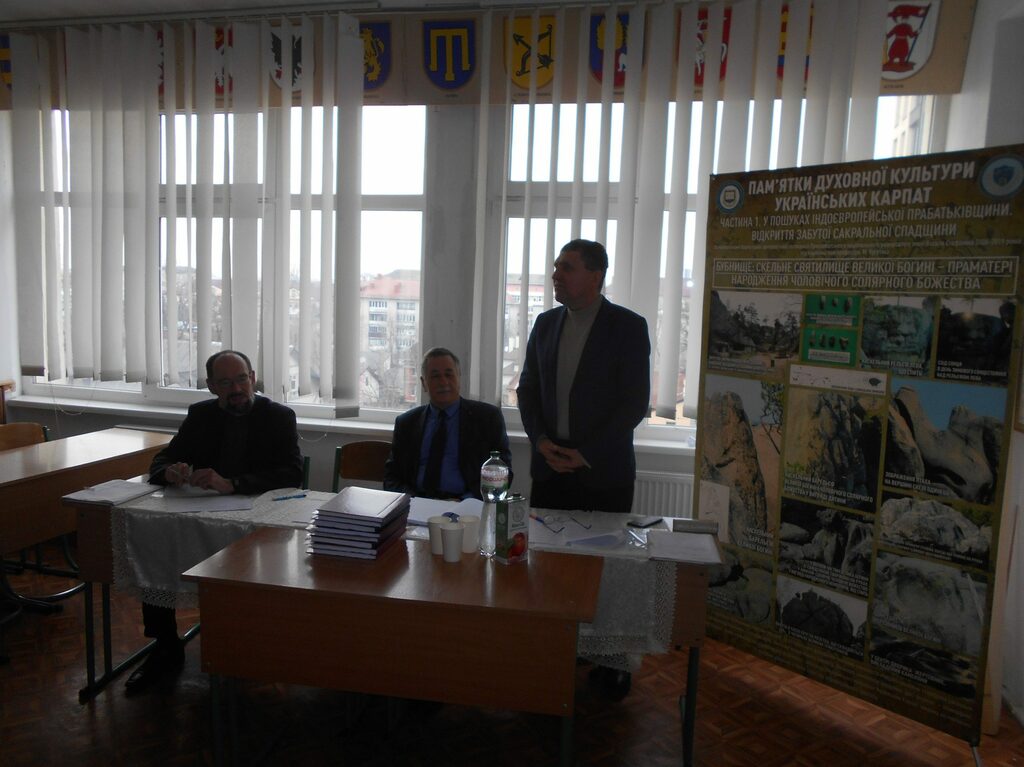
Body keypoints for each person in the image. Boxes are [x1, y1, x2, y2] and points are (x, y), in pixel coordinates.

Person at [516, 239, 650, 702]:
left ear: (596, 275)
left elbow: (633, 403)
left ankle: (611, 661)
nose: (556, 275)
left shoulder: (628, 327)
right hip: (551, 465)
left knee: (606, 571)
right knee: (552, 568)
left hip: (602, 470)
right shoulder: (545, 324)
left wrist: (586, 453)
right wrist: (541, 441)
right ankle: (563, 648)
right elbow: (527, 390)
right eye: (555, 266)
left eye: (566, 267)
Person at [125, 350, 303, 695]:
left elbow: (291, 474)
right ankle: (165, 645)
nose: (236, 389)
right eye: (225, 382)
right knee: (156, 541)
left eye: (241, 379)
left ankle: (248, 644)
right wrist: (170, 472)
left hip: (256, 517)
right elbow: (162, 459)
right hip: (202, 513)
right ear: (211, 386)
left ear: (253, 378)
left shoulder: (278, 416)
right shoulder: (201, 414)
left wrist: (232, 484)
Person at [384, 347, 511, 500]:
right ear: (424, 383)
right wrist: (413, 500)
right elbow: (391, 478)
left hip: (468, 506)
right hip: (417, 503)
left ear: (459, 378)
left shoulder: (487, 418)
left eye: (449, 374)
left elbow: (504, 473)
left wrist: (467, 501)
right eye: (435, 376)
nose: (443, 382)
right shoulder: (406, 423)